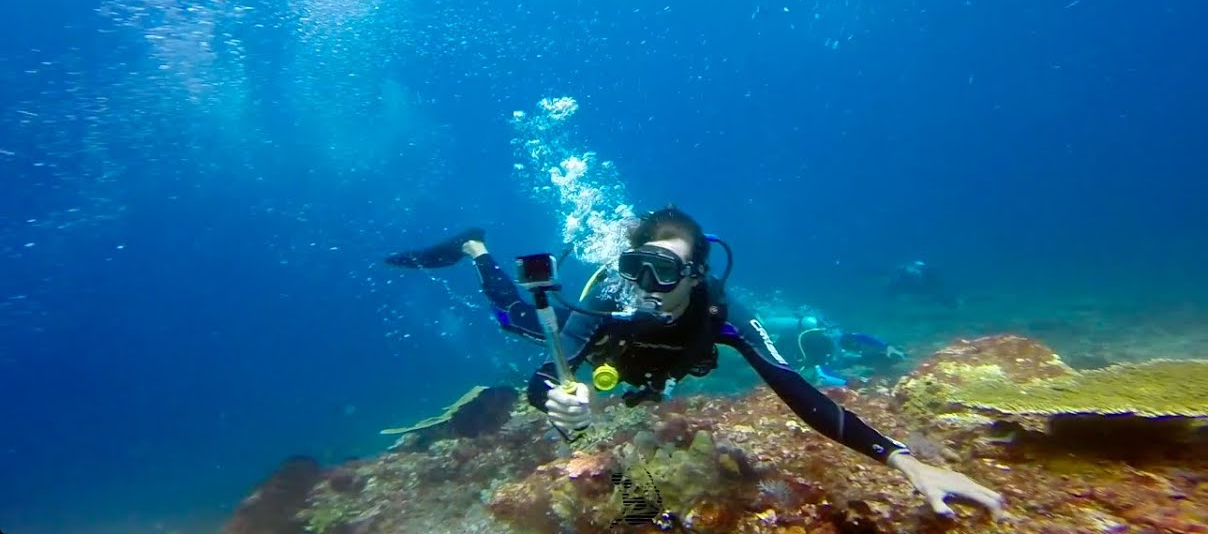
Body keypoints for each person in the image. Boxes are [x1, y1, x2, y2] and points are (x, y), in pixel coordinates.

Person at [386, 207, 1005, 519]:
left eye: (667, 270)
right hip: (606, 350)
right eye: (638, 267)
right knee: (518, 321)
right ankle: (475, 249)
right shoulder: (610, 297)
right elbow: (551, 372)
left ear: (697, 273)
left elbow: (797, 391)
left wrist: (900, 459)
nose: (648, 285)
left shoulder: (722, 312)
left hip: (653, 366)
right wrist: (554, 396)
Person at [755, 313, 907, 386]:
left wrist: (886, 346)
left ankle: (885, 359)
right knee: (854, 359)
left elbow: (860, 337)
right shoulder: (820, 348)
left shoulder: (836, 338)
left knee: (857, 359)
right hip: (799, 358)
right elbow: (823, 374)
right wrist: (849, 382)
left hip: (836, 359)